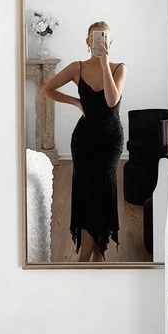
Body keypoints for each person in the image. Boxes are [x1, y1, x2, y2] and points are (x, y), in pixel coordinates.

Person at [41, 21, 126, 262]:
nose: (101, 42)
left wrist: (104, 64)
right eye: (96, 38)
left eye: (105, 38)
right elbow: (46, 90)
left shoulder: (119, 68)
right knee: (88, 195)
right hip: (84, 141)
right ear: (88, 42)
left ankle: (88, 258)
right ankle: (95, 258)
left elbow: (111, 101)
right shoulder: (76, 68)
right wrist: (76, 102)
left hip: (110, 142)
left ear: (110, 42)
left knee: (102, 194)